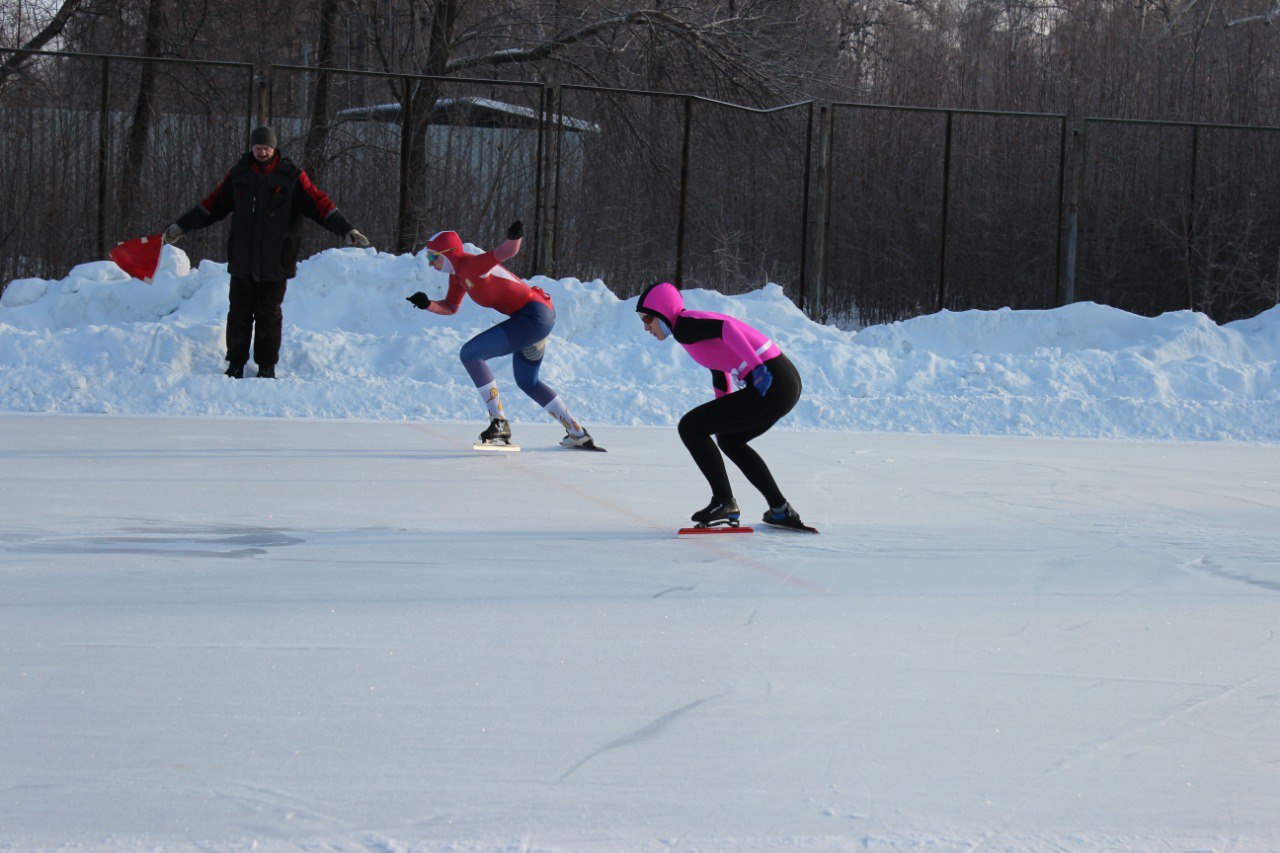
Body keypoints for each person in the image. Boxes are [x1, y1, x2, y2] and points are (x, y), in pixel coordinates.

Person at [164, 125, 369, 379]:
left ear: (275, 149)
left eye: (267, 148)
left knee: (269, 316)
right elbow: (211, 206)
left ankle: (266, 366)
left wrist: (346, 229)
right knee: (238, 314)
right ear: (252, 148)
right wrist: (181, 226)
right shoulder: (239, 175)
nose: (262, 152)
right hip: (243, 259)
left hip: (276, 261)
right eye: (258, 147)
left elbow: (320, 204)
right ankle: (235, 363)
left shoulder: (292, 177)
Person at [405, 220, 601, 451]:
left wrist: (515, 236)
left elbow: (507, 251)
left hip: (533, 316)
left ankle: (499, 423)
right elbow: (450, 307)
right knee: (528, 382)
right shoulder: (457, 277)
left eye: (433, 257)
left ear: (448, 253)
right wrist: (427, 304)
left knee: (471, 353)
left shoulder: (472, 264)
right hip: (536, 317)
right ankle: (577, 433)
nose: (430, 263)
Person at [635, 280, 806, 529]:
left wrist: (756, 366)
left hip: (771, 381)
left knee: (690, 427)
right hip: (782, 383)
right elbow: (720, 372)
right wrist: (720, 416)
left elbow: (727, 328)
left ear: (662, 312)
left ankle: (724, 501)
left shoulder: (684, 325)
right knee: (728, 440)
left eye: (647, 318)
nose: (646, 327)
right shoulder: (689, 328)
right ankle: (780, 510)